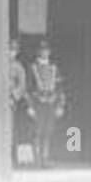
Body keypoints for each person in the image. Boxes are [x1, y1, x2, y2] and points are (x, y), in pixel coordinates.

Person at [28, 39, 66, 169]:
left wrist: (60, 105)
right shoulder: (32, 68)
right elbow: (28, 89)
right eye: (42, 50)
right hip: (37, 104)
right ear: (38, 52)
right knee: (37, 131)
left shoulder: (54, 68)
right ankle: (36, 161)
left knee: (48, 131)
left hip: (51, 103)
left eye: (47, 50)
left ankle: (45, 159)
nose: (45, 53)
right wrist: (30, 106)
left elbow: (60, 88)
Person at [8, 39, 31, 167]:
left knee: (10, 130)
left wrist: (13, 96)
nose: (10, 53)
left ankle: (11, 158)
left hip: (9, 101)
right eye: (9, 50)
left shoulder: (18, 67)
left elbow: (22, 85)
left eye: (13, 51)